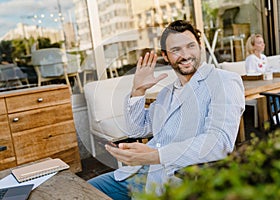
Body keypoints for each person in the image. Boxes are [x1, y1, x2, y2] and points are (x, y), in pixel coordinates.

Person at [88, 20, 245, 199]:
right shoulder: (167, 92)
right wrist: (138, 90)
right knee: (83, 191)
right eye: (176, 50)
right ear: (166, 55)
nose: (185, 55)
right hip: (140, 173)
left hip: (178, 179)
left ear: (200, 46)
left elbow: (219, 142)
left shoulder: (224, 81)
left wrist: (157, 156)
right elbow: (137, 129)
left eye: (190, 46)